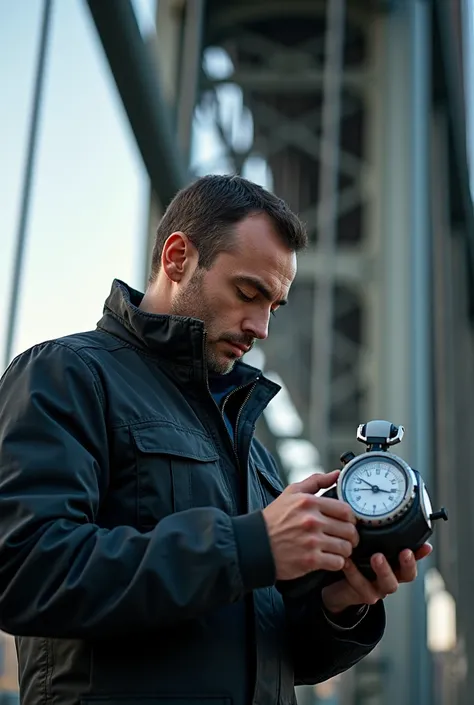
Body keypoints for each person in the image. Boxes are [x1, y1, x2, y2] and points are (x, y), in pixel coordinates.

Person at [0, 175, 431, 705]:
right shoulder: (66, 374)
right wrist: (252, 544)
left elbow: (274, 656)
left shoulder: (251, 447)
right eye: (249, 293)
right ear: (178, 257)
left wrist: (340, 604)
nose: (261, 328)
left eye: (274, 306)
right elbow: (23, 571)